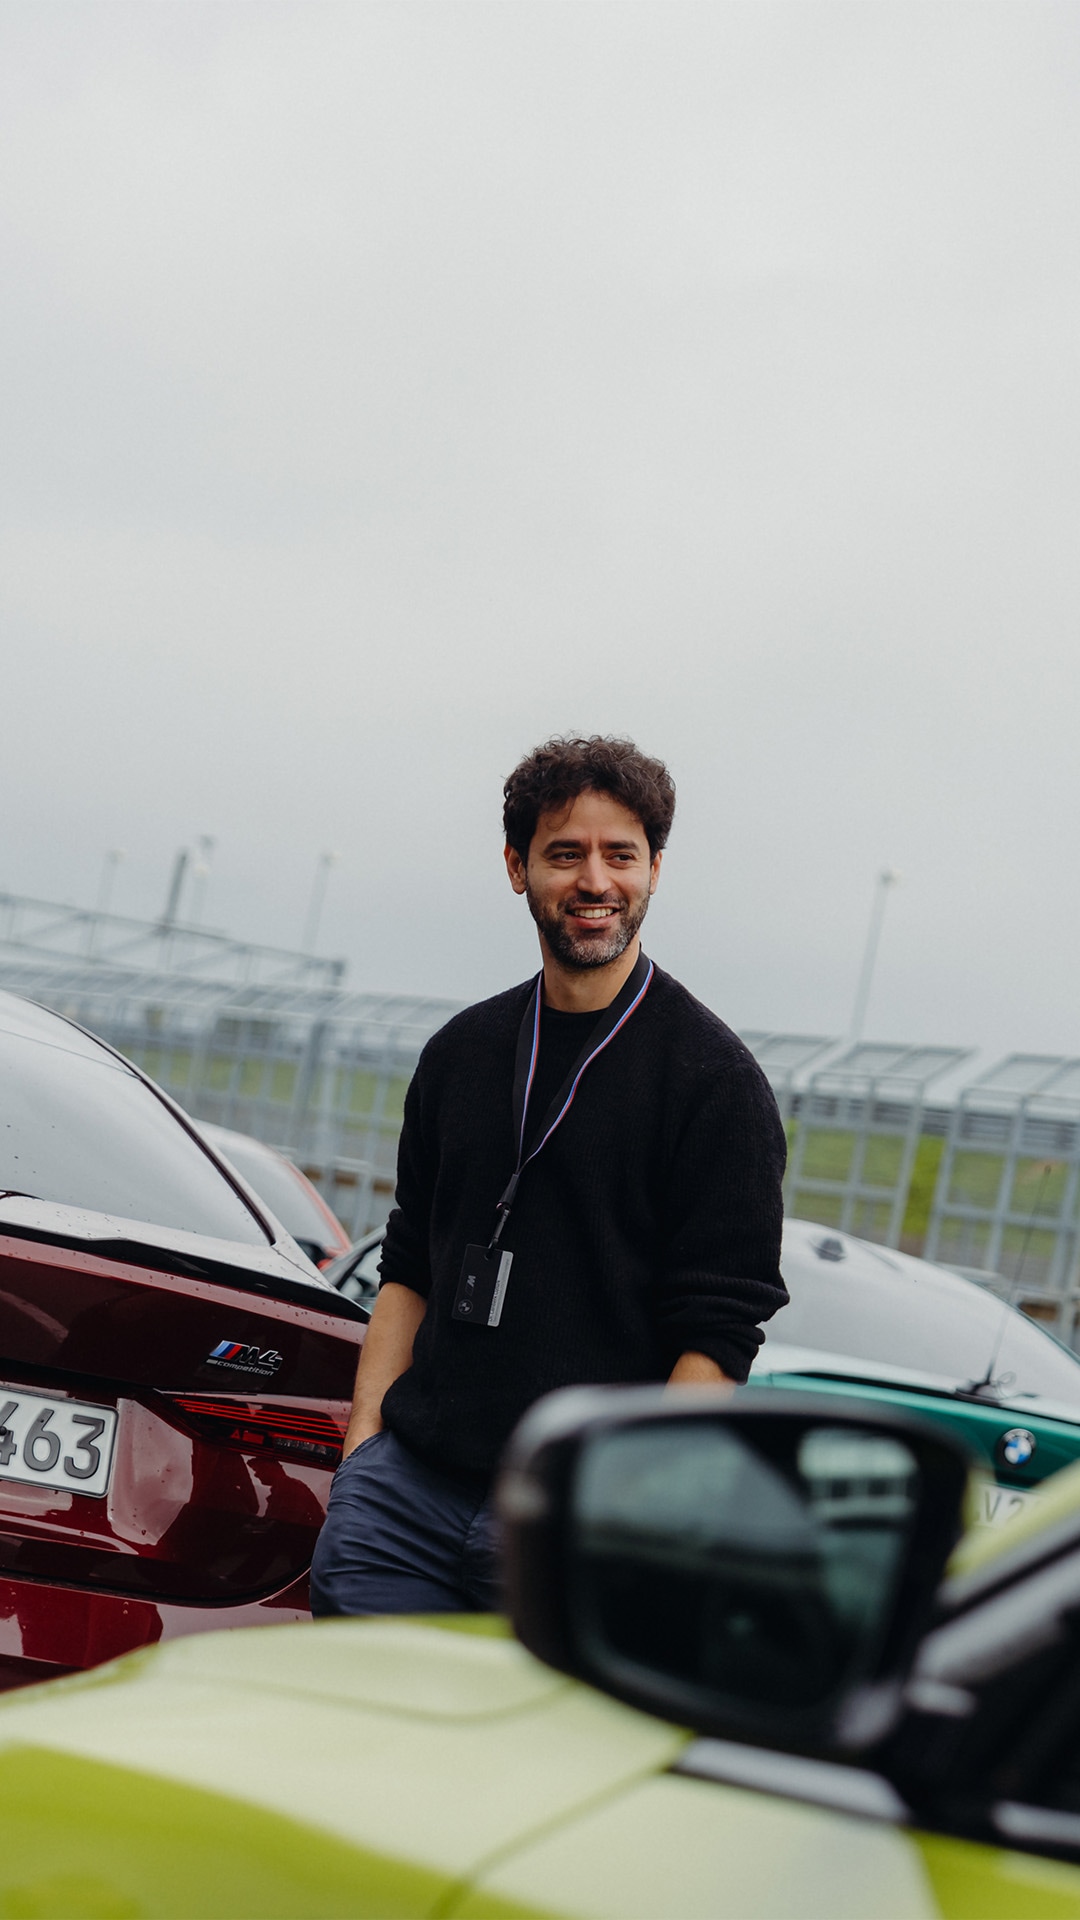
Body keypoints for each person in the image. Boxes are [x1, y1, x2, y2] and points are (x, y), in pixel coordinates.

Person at [311, 734, 788, 1616]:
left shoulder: (715, 1084)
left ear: (654, 871)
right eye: (565, 854)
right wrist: (365, 1451)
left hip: (576, 1513)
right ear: (516, 867)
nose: (595, 882)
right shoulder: (461, 1054)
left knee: (518, 1752)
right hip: (405, 1499)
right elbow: (408, 1266)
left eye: (621, 855)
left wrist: (630, 1512)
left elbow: (719, 1333)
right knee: (351, 1737)